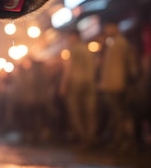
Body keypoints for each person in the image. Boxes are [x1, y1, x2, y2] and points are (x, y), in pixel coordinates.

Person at [97, 20, 138, 150]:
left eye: (108, 28)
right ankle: (120, 140)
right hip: (113, 85)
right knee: (118, 114)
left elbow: (130, 64)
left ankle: (123, 141)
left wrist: (129, 80)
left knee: (119, 114)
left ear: (114, 27)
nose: (107, 31)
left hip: (117, 85)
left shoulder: (120, 43)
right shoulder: (113, 44)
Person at [59, 29, 97, 148]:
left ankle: (84, 138)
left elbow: (68, 69)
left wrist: (63, 85)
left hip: (76, 83)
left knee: (76, 112)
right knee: (89, 112)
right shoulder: (87, 49)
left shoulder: (74, 50)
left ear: (74, 36)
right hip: (90, 83)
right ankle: (91, 138)